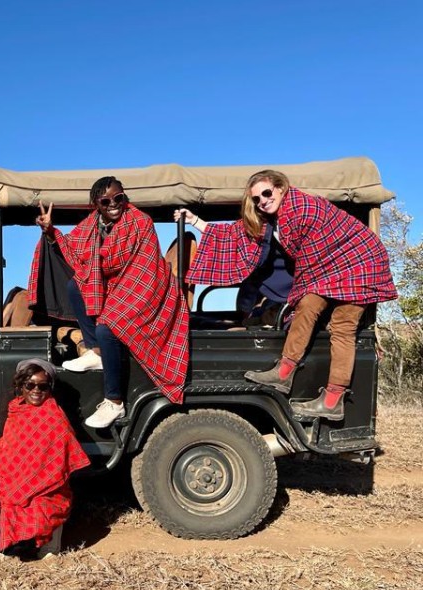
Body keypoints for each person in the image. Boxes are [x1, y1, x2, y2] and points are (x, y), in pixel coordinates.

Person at [176, 169, 397, 419]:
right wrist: (195, 221)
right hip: (330, 268)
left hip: (361, 263)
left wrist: (294, 296)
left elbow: (310, 259)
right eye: (257, 198)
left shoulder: (302, 209)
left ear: (280, 187)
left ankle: (333, 400)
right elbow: (234, 235)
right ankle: (284, 373)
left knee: (341, 327)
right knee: (306, 307)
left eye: (267, 193)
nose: (263, 201)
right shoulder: (274, 218)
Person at [30, 176, 190, 427]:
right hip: (117, 287)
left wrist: (95, 262)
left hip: (146, 286)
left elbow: (117, 259)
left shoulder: (139, 221)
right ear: (97, 204)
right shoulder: (93, 222)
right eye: (106, 201)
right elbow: (75, 247)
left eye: (119, 198)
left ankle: (114, 401)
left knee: (108, 326)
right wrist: (50, 231)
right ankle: (96, 352)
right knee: (76, 286)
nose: (114, 204)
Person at [0, 358, 90, 559]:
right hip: (8, 486)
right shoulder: (17, 411)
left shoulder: (54, 418)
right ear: (21, 386)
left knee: (13, 548)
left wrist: (17, 499)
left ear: (50, 388)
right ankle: (4, 528)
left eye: (43, 386)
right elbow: (3, 454)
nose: (36, 390)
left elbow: (55, 472)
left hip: (41, 493)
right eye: (30, 385)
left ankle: (12, 536)